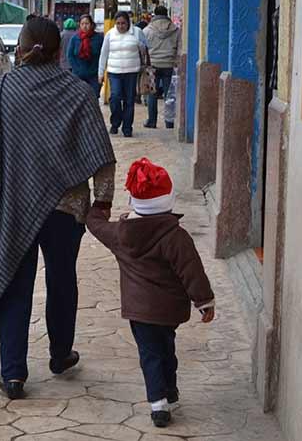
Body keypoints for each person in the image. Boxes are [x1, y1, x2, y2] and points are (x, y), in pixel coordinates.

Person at [0, 17, 116, 401]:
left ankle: (13, 374)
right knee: (62, 280)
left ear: (20, 49)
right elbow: (102, 157)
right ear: (59, 52)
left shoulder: (1, 93)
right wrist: (103, 202)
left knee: (13, 283)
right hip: (67, 208)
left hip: (12, 206)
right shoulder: (78, 93)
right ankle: (60, 355)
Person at [86, 157, 216, 429]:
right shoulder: (176, 236)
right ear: (168, 200)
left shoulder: (121, 233)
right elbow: (192, 271)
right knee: (167, 347)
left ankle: (158, 403)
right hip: (168, 312)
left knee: (150, 353)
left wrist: (98, 208)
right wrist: (204, 301)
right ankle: (169, 391)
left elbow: (97, 226)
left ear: (134, 202)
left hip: (139, 312)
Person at [99, 11, 145, 137]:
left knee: (129, 100)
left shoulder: (137, 32)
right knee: (115, 97)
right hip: (114, 72)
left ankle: (127, 127)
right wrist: (101, 72)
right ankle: (115, 122)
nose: (120, 26)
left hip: (131, 72)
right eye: (118, 23)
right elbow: (104, 53)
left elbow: (145, 50)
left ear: (128, 23)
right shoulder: (110, 34)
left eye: (123, 23)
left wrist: (141, 46)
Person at [143, 6, 181, 129]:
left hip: (152, 66)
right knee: (169, 95)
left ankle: (152, 121)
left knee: (152, 93)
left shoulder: (147, 30)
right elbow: (179, 48)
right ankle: (169, 122)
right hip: (169, 65)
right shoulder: (176, 30)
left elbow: (143, 49)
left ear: (154, 14)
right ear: (167, 14)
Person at [67, 14, 104, 97]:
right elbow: (70, 55)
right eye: (82, 24)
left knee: (93, 97)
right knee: (78, 98)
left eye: (87, 23)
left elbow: (103, 55)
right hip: (78, 74)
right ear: (79, 25)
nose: (85, 26)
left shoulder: (99, 38)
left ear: (91, 24)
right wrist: (76, 69)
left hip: (94, 74)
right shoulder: (75, 38)